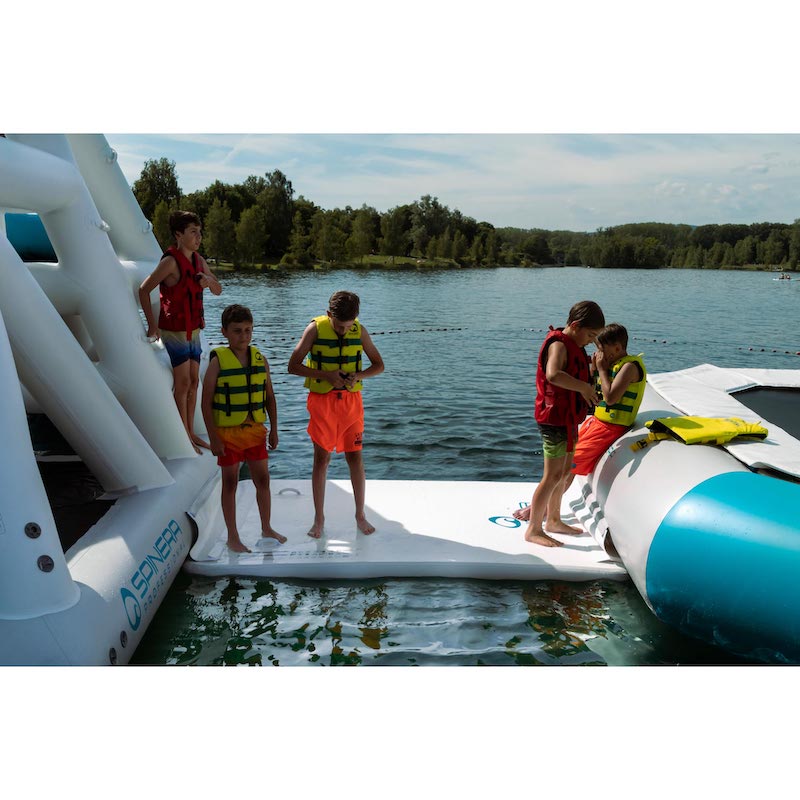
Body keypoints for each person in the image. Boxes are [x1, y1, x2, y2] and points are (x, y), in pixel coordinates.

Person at [288, 290, 385, 538]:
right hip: (323, 402)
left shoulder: (359, 330)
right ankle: (319, 519)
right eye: (340, 326)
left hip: (351, 403)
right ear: (329, 314)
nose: (343, 330)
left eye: (348, 325)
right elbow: (293, 365)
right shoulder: (314, 330)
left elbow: (378, 365)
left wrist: (358, 376)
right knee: (322, 459)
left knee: (355, 458)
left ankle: (360, 515)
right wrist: (325, 376)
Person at [201, 304, 286, 553]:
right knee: (230, 483)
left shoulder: (260, 359)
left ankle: (267, 527)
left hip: (255, 431)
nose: (244, 336)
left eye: (248, 330)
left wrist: (275, 429)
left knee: (263, 479)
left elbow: (270, 397)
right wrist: (214, 438)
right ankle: (233, 536)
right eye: (237, 331)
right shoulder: (217, 362)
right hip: (227, 434)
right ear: (225, 332)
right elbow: (205, 403)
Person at [519, 300, 605, 547]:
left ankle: (554, 520)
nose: (590, 340)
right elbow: (553, 374)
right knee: (552, 474)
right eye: (590, 335)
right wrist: (584, 387)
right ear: (576, 326)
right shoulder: (558, 344)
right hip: (553, 419)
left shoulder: (576, 345)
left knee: (565, 471)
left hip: (568, 419)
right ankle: (534, 529)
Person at [138, 210, 222, 453]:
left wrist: (208, 279)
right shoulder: (170, 262)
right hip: (173, 331)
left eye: (200, 232)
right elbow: (144, 290)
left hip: (193, 330)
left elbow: (218, 289)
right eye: (193, 232)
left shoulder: (199, 261)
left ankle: (192, 433)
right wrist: (153, 325)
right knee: (183, 382)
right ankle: (184, 434)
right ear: (178, 234)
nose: (199, 237)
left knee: (195, 381)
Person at [570, 323, 646, 477]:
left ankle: (548, 501)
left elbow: (610, 398)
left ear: (617, 348)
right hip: (597, 422)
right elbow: (595, 394)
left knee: (570, 461)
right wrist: (594, 371)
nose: (599, 354)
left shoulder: (629, 367)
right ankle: (552, 500)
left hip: (610, 428)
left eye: (602, 349)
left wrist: (602, 370)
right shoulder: (611, 364)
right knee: (566, 457)